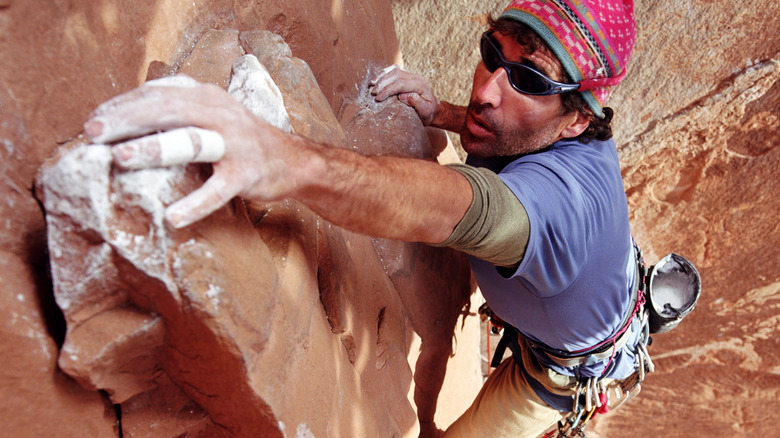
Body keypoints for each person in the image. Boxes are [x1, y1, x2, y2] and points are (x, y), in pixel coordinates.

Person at [84, 0, 646, 436]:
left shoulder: (558, 213)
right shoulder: (562, 127)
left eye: (530, 80)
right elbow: (504, 133)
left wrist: (287, 161)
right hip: (560, 305)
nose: (486, 89)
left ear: (577, 120)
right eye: (492, 53)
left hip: (551, 373)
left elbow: (464, 208)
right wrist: (440, 112)